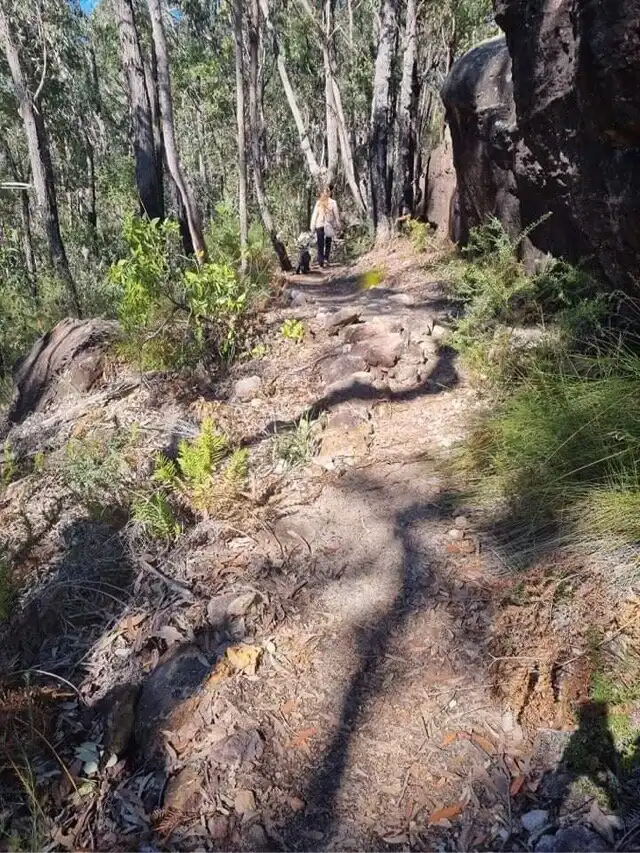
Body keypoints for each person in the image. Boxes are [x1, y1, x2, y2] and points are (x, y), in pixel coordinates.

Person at [310, 185, 341, 267]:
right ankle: (325, 259)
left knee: (320, 243)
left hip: (319, 225)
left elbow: (314, 215)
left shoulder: (319, 202)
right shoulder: (332, 202)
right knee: (328, 242)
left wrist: (312, 226)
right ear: (329, 193)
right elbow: (336, 216)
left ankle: (321, 260)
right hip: (328, 225)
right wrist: (338, 226)